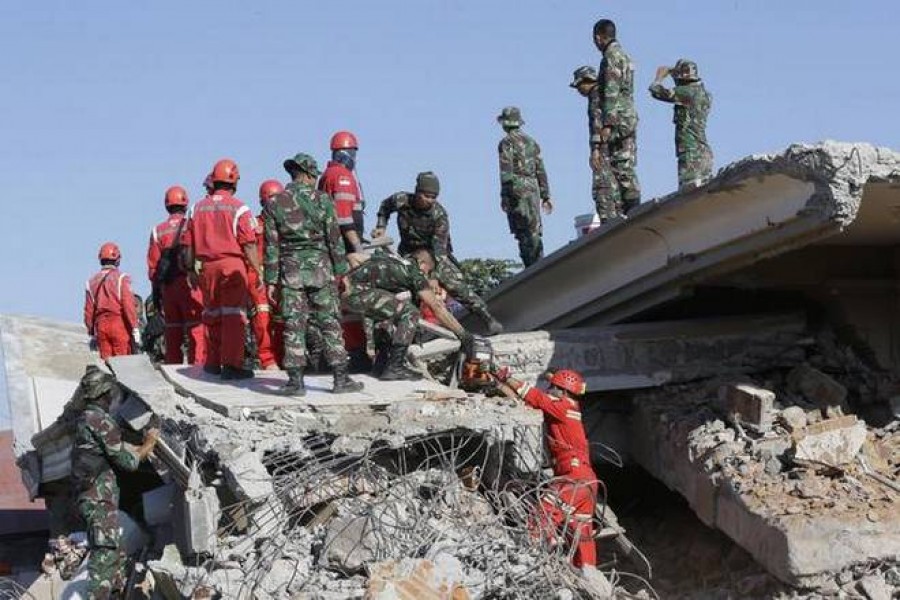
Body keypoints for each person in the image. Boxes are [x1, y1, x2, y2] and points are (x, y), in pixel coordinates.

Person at [264, 153, 364, 396]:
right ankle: (341, 379)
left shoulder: (274, 203)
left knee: (293, 325)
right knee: (330, 322)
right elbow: (334, 240)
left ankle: (296, 383)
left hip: (291, 271)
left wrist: (270, 280)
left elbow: (271, 245)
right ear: (309, 175)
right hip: (321, 269)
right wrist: (343, 274)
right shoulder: (323, 200)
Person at [489, 366, 598, 569]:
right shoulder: (568, 410)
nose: (549, 389)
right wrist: (497, 385)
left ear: (563, 390)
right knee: (581, 532)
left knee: (542, 514)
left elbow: (534, 396)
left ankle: (536, 562)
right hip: (587, 481)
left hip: (574, 479)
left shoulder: (563, 406)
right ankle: (590, 575)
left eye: (553, 387)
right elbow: (528, 403)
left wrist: (506, 376)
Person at [372, 172, 503, 335]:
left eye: (433, 197)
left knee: (456, 285)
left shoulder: (439, 215)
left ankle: (487, 319)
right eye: (426, 196)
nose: (430, 200)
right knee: (407, 289)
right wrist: (381, 226)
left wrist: (433, 275)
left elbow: (439, 249)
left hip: (434, 255)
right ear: (417, 191)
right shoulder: (401, 200)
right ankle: (411, 332)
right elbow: (385, 207)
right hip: (409, 253)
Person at [71, 366, 159, 599]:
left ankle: (118, 593)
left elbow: (111, 451)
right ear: (105, 393)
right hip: (98, 498)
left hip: (92, 496)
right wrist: (149, 442)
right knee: (105, 556)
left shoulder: (86, 418)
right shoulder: (100, 421)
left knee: (116, 550)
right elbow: (129, 463)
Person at [182, 159, 262, 380]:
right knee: (233, 316)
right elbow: (249, 243)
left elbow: (187, 244)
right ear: (234, 180)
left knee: (212, 314)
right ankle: (231, 365)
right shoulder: (239, 208)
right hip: (231, 265)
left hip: (206, 268)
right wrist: (258, 270)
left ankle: (213, 362)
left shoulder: (196, 208)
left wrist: (190, 271)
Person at [343, 249, 474, 380]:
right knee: (410, 313)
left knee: (386, 314)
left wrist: (364, 279)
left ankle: (381, 364)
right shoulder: (414, 272)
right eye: (428, 271)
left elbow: (352, 256)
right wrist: (463, 334)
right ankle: (395, 366)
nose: (426, 275)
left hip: (346, 293)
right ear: (422, 264)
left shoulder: (390, 257)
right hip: (358, 295)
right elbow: (436, 307)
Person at [318, 131, 370, 372]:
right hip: (345, 251)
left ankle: (337, 353)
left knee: (338, 305)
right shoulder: (343, 177)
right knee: (351, 303)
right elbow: (344, 218)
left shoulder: (327, 176)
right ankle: (356, 354)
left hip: (332, 250)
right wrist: (358, 249)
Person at [147, 185, 206, 365]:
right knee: (196, 328)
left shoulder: (158, 230)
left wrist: (157, 292)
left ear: (167, 205)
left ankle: (173, 367)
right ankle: (198, 367)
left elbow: (152, 266)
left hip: (168, 287)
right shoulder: (190, 224)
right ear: (185, 203)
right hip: (190, 284)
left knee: (172, 330)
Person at [592, 19, 641, 221]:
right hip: (629, 115)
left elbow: (611, 91)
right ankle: (633, 209)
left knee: (617, 167)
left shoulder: (610, 57)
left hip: (617, 118)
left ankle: (630, 212)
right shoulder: (626, 56)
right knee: (627, 164)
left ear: (598, 37)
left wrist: (608, 123)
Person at [497, 106, 554, 267]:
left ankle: (531, 265)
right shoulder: (532, 142)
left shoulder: (506, 143)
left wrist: (505, 196)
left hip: (516, 187)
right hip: (533, 186)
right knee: (534, 229)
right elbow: (540, 169)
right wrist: (546, 195)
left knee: (522, 231)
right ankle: (539, 262)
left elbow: (506, 171)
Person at [649, 59, 714, 190]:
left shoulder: (686, 92)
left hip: (690, 153)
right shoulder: (705, 94)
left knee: (689, 194)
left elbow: (656, 91)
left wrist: (659, 77)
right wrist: (675, 73)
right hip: (703, 152)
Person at [247, 180, 284, 370]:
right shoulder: (254, 224)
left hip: (283, 275)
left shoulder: (288, 225)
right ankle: (268, 358)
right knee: (262, 316)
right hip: (259, 274)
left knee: (284, 318)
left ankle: (285, 356)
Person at [84, 243, 139, 360]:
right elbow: (128, 305)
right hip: (119, 324)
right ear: (117, 259)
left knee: (107, 365)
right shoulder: (122, 278)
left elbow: (89, 311)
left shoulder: (91, 282)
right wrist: (135, 328)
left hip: (101, 327)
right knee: (123, 365)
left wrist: (92, 333)